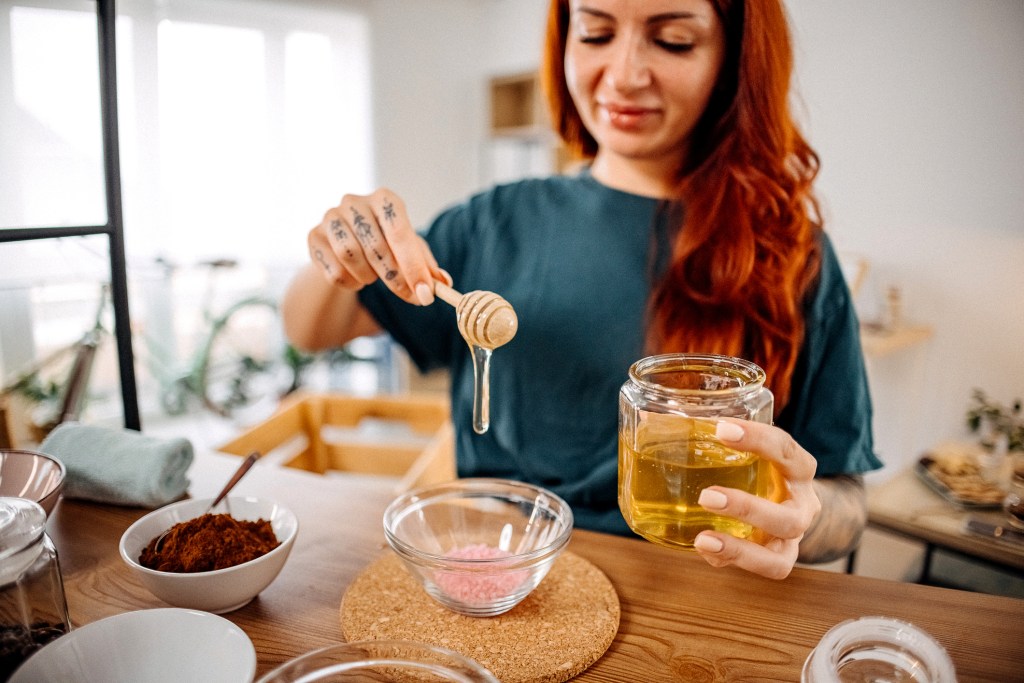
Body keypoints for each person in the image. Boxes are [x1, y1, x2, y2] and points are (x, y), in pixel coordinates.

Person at [282, 0, 882, 580]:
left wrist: (801, 516)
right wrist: (342, 254)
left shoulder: (792, 256)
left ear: (735, 59)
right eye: (595, 33)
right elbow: (307, 329)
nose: (623, 75)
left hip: (698, 590)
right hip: (509, 574)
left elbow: (848, 505)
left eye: (673, 40)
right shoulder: (494, 222)